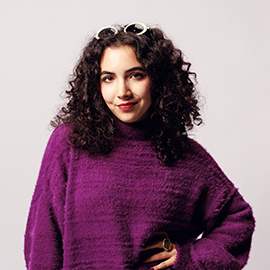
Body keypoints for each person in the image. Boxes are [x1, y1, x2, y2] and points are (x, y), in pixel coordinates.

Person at [24, 22, 255, 270]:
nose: (122, 91)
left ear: (158, 79)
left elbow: (238, 219)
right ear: (96, 85)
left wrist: (187, 258)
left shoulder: (187, 156)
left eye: (136, 75)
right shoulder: (71, 142)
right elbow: (42, 240)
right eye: (108, 78)